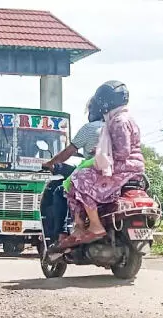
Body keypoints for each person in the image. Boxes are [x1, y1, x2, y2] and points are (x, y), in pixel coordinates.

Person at [63, 81, 144, 246]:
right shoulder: (124, 118)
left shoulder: (118, 121)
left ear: (106, 102)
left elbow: (122, 152)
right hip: (132, 166)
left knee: (78, 178)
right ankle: (83, 223)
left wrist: (103, 157)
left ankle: (94, 225)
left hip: (124, 167)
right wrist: (99, 152)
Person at [41, 99, 104, 245]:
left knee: (60, 191)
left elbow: (68, 153)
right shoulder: (117, 128)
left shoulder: (90, 128)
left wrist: (50, 163)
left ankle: (62, 233)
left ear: (93, 111)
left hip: (94, 175)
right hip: (118, 176)